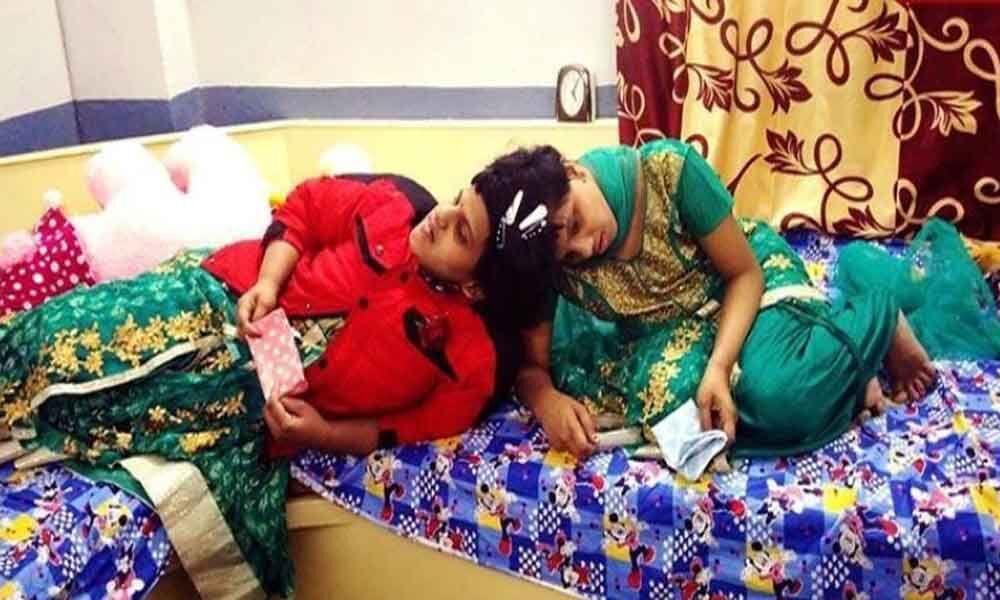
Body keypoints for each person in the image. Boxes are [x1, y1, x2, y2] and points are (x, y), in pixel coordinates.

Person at [0, 148, 568, 598]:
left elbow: (400, 429)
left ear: (477, 288)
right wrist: (268, 284)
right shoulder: (393, 204)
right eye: (457, 200)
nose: (439, 217)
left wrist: (321, 433)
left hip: (241, 399)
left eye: (460, 232)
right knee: (57, 336)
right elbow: (301, 210)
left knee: (91, 410)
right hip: (221, 294)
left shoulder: (473, 362)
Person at [514, 139, 937, 462]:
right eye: (570, 256)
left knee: (776, 396)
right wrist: (546, 401)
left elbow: (744, 274)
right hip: (678, 327)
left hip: (746, 283)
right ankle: (842, 373)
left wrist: (718, 367)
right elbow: (534, 367)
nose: (585, 248)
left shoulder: (668, 171)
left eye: (576, 224)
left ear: (574, 172)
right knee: (683, 415)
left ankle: (877, 315)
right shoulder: (546, 257)